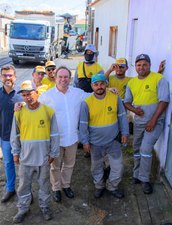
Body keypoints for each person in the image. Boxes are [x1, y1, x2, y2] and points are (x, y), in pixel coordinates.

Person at [11, 80, 60, 223]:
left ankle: (45, 207)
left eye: (30, 93)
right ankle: (23, 209)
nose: (28, 97)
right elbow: (15, 135)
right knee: (23, 185)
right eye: (24, 95)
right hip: (25, 158)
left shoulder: (48, 111)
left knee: (44, 184)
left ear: (36, 93)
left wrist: (53, 153)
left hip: (43, 157)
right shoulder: (19, 113)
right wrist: (15, 152)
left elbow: (55, 134)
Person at [39, 66, 90, 202]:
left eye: (66, 77)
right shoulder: (46, 96)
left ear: (70, 78)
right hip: (55, 140)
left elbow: (94, 96)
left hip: (72, 137)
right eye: (60, 77)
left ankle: (66, 185)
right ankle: (56, 188)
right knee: (54, 166)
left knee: (69, 164)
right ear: (55, 78)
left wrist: (109, 91)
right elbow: (34, 106)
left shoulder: (77, 93)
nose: (63, 79)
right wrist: (20, 105)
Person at [124, 54, 170, 194]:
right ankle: (136, 175)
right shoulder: (132, 83)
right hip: (139, 122)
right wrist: (135, 110)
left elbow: (164, 101)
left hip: (155, 123)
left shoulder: (159, 79)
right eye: (138, 65)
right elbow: (126, 102)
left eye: (144, 64)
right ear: (135, 67)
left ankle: (145, 180)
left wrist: (153, 120)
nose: (141, 67)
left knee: (145, 149)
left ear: (149, 65)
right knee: (137, 148)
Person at [79, 74, 129, 199]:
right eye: (96, 84)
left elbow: (122, 116)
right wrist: (85, 142)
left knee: (118, 166)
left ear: (106, 84)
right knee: (96, 167)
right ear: (92, 86)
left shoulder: (114, 97)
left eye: (102, 83)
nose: (99, 87)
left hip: (113, 140)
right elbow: (83, 125)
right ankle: (99, 186)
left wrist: (125, 133)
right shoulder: (86, 103)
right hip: (95, 143)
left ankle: (112, 186)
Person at [0, 64, 22, 203]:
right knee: (8, 163)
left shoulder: (22, 93)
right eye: (5, 75)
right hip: (5, 137)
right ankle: (10, 189)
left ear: (15, 77)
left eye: (10, 75)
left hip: (22, 137)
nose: (7, 78)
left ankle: (25, 190)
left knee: (23, 165)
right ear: (0, 77)